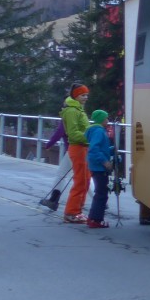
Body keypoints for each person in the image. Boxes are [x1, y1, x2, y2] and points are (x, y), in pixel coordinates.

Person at [60, 83, 92, 224]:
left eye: (86, 95)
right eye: (82, 95)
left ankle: (77, 211)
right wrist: (92, 137)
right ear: (76, 95)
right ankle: (71, 212)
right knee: (81, 180)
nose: (85, 98)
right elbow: (73, 134)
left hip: (83, 147)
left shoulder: (78, 109)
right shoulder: (73, 111)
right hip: (78, 147)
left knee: (85, 180)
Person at [85, 110, 114, 229]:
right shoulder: (99, 131)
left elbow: (101, 148)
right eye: (106, 118)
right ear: (101, 119)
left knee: (100, 192)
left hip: (96, 166)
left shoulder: (98, 131)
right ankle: (95, 219)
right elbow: (94, 149)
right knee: (101, 193)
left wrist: (112, 149)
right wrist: (104, 161)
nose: (107, 120)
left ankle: (93, 217)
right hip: (99, 167)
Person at [38, 119, 72, 212]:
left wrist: (49, 144)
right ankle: (53, 200)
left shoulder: (67, 114)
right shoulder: (80, 113)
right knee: (83, 176)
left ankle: (53, 200)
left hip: (72, 149)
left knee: (61, 174)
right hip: (81, 149)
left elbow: (59, 132)